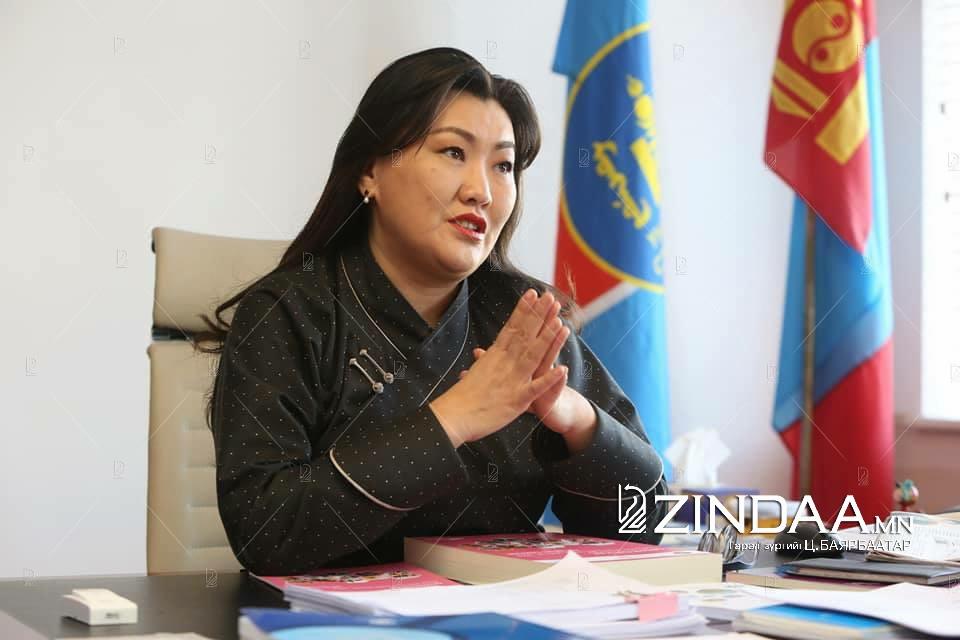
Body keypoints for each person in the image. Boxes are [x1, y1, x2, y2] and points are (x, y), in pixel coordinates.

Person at [198, 47, 667, 576]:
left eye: (503, 165)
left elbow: (644, 521)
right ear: (370, 171)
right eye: (452, 152)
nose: (481, 191)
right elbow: (263, 530)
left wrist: (576, 421)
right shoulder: (287, 314)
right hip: (322, 615)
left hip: (501, 611)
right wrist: (455, 417)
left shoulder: (521, 319)